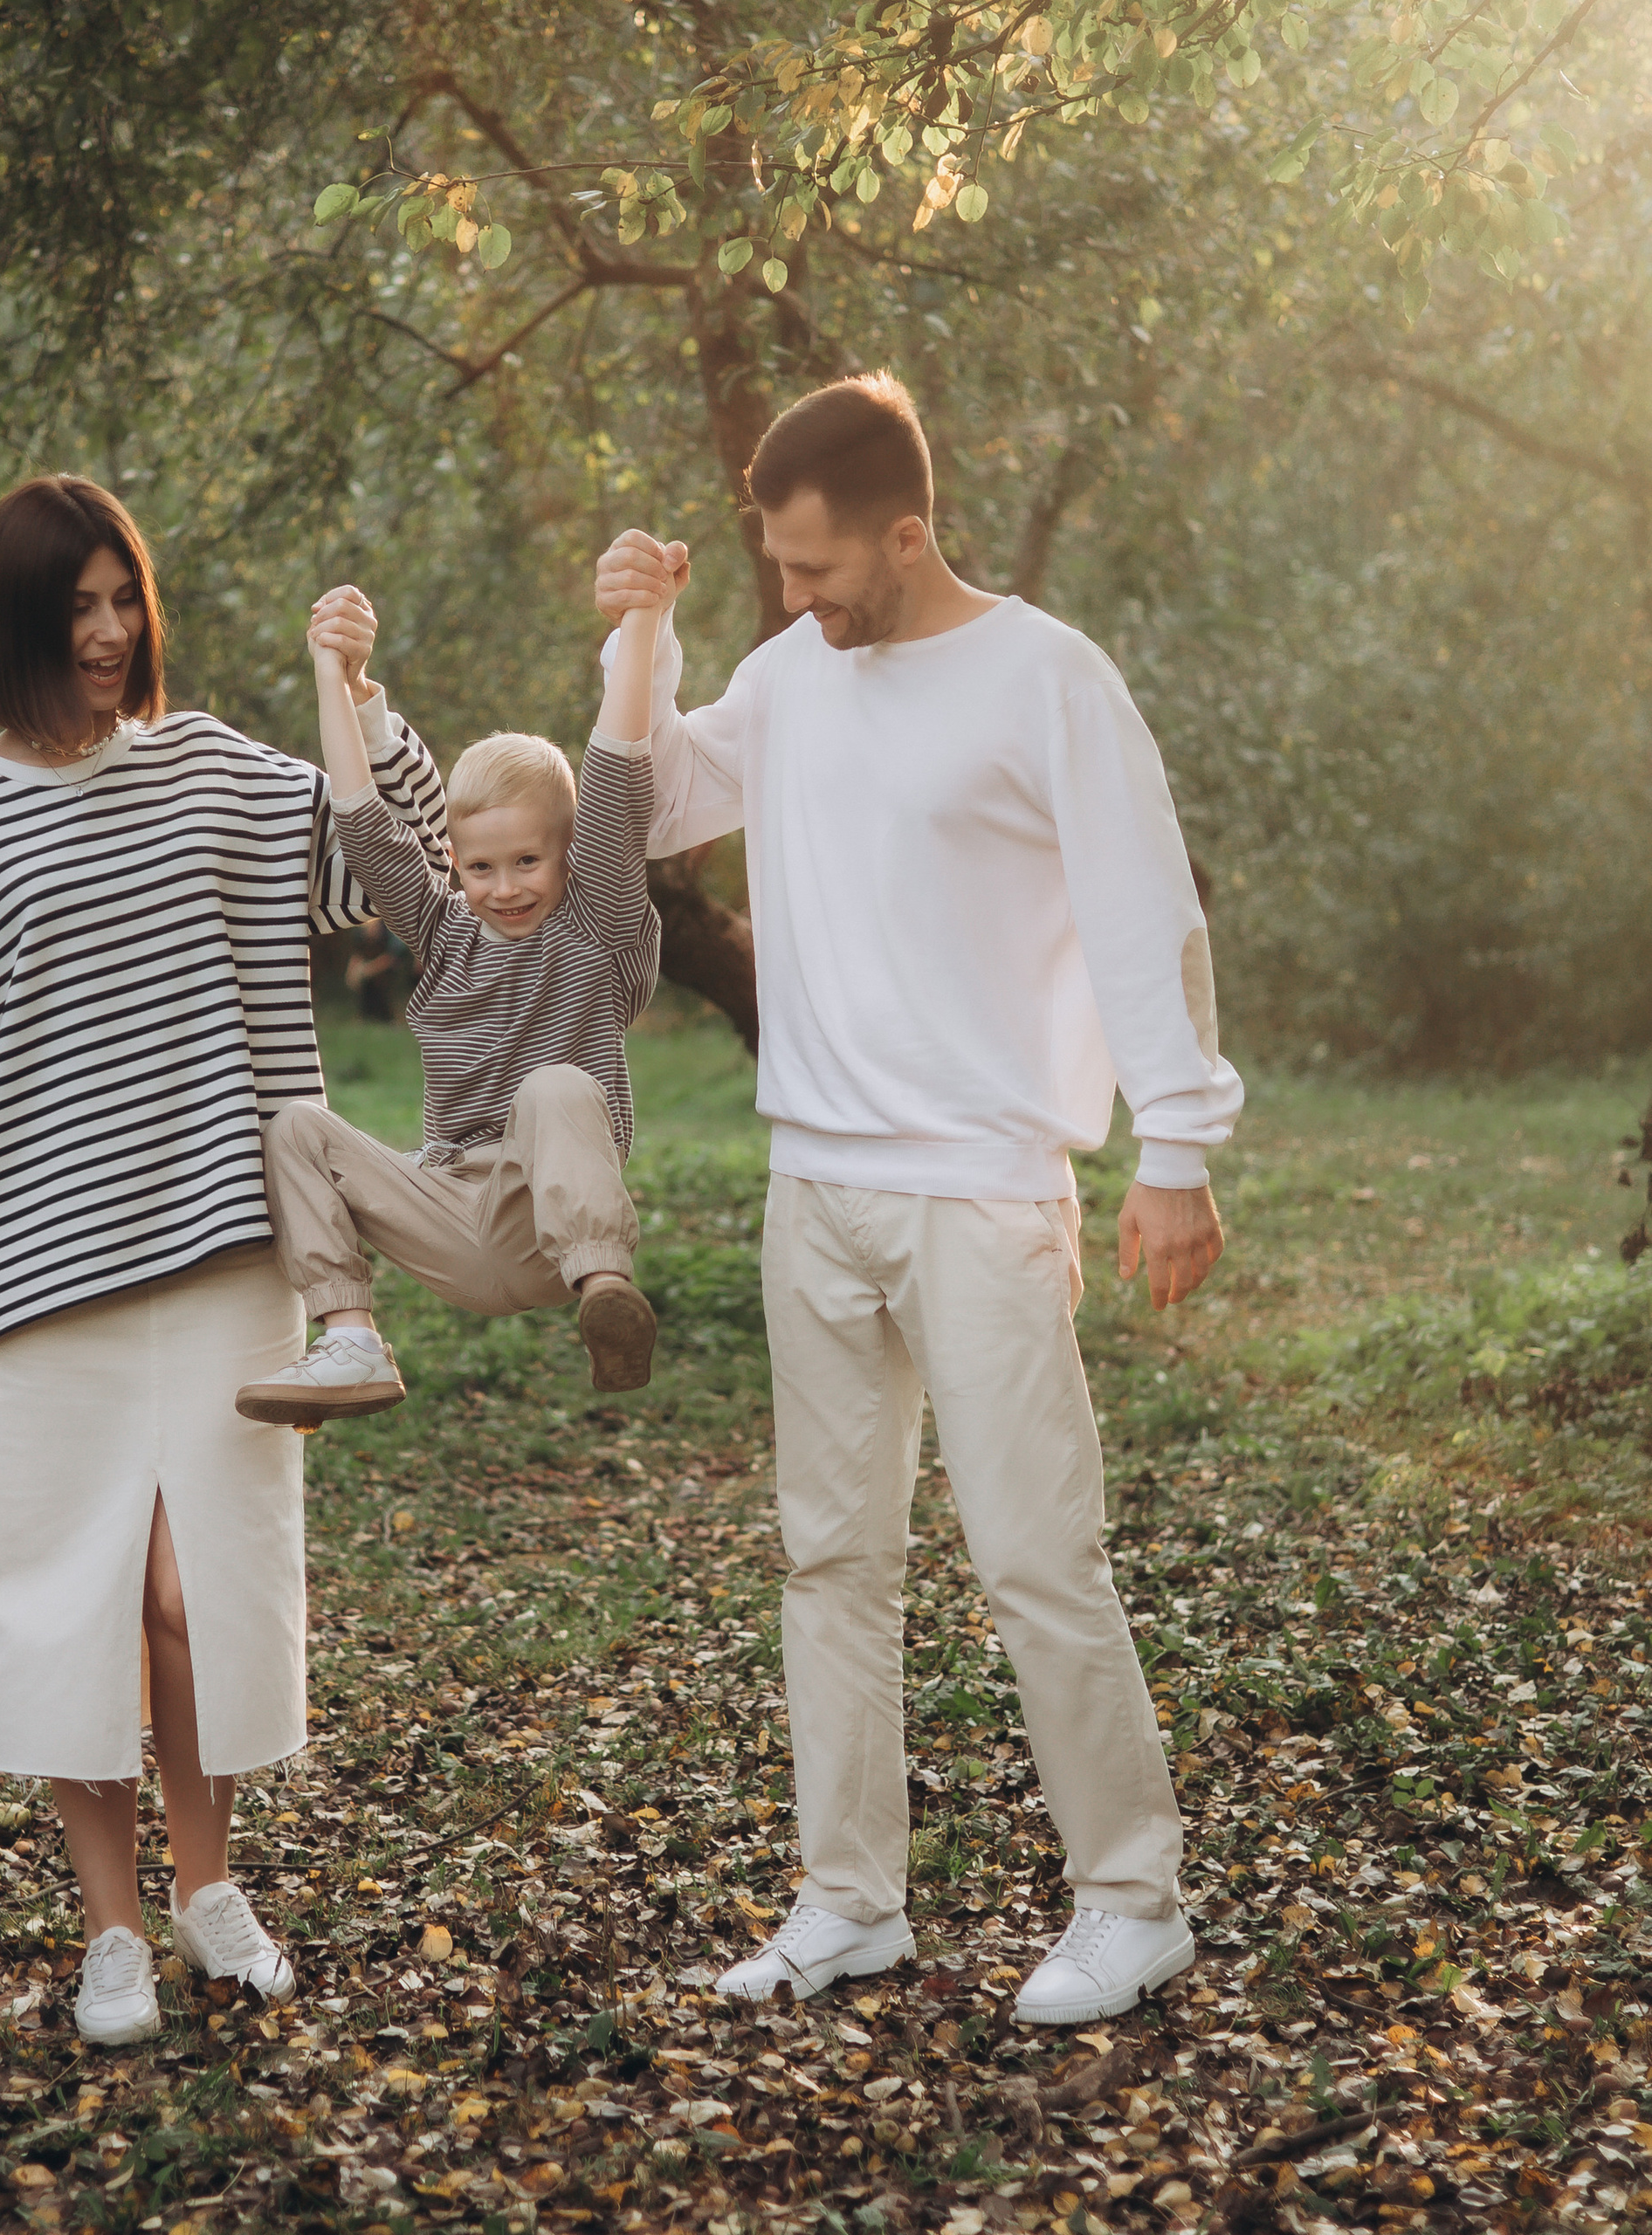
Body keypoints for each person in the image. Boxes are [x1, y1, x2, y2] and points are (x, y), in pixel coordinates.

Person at [0, 477, 450, 2044]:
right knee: (74, 1604)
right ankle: (112, 1931)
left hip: (229, 1255)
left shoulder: (211, 775)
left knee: (196, 1600)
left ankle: (211, 1888)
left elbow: (384, 864)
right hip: (44, 1286)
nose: (111, 634)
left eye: (127, 599)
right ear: (18, 625)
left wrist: (356, 701)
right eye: (78, 608)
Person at [596, 374, 1242, 2023]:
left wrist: (1177, 1148)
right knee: (832, 1560)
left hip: (981, 1187)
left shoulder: (1046, 680)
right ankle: (849, 1902)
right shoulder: (788, 670)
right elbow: (659, 802)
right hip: (813, 1182)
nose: (799, 601)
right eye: (776, 573)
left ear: (909, 530)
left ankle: (1131, 1897)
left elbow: (1144, 911)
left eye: (819, 570)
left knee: (1035, 1553)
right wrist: (648, 641)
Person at [233, 581, 668, 1429]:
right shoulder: (441, 928)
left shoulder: (596, 923)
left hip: (546, 1213)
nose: (503, 888)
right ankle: (351, 1337)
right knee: (294, 1128)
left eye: (528, 862)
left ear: (569, 856)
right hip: (450, 1212)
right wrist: (331, 673)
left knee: (552, 1086)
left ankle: (608, 1292)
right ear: (455, 861)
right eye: (480, 867)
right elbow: (361, 818)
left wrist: (643, 623)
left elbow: (616, 779)